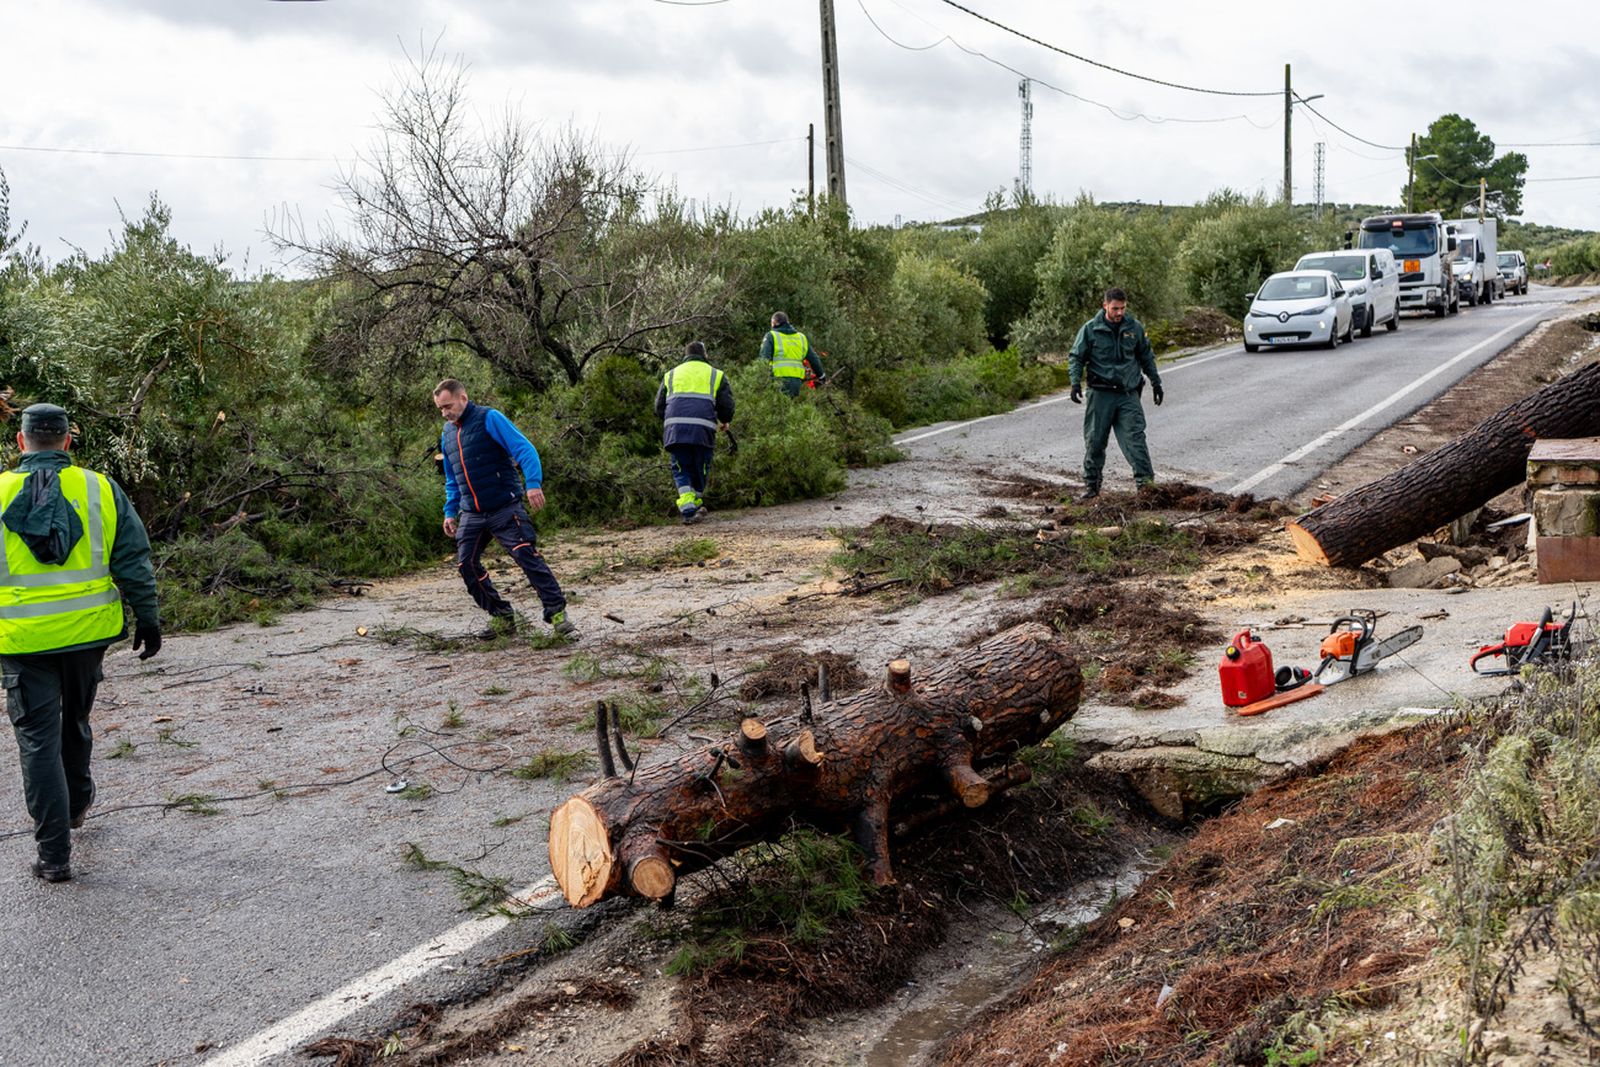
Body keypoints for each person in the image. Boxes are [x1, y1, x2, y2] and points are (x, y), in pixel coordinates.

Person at [1, 403, 161, 883]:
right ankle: (77, 804)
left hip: (22, 640)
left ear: (20, 442)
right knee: (75, 721)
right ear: (69, 441)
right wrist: (147, 617)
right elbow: (132, 556)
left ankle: (54, 855)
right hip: (89, 636)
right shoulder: (100, 488)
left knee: (37, 740)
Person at [432, 381, 575, 638]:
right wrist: (449, 511)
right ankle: (502, 617)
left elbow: (524, 449)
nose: (445, 413)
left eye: (448, 406)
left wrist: (533, 484)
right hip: (472, 513)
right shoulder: (447, 433)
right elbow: (452, 478)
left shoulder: (490, 418)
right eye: (440, 409)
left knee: (526, 555)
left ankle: (557, 615)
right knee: (466, 565)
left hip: (504, 506)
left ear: (463, 398)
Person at [1067, 287, 1165, 500]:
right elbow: (1076, 356)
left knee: (1136, 439)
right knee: (1095, 440)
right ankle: (1092, 486)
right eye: (1115, 308)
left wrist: (1156, 383)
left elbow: (1146, 356)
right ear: (1105, 306)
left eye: (1122, 308)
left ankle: (1146, 487)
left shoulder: (1134, 328)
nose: (1119, 312)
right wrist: (1075, 383)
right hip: (1100, 395)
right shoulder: (1091, 329)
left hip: (1127, 394)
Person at [654, 342, 735, 524]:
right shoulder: (716, 374)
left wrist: (672, 422)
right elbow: (726, 405)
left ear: (685, 355)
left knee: (681, 467)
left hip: (676, 430)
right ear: (705, 355)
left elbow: (658, 407)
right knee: (701, 468)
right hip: (703, 430)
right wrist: (725, 420)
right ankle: (690, 507)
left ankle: (691, 505)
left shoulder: (671, 374)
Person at [759, 312, 826, 396]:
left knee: (775, 407)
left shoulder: (771, 336)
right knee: (790, 407)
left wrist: (759, 380)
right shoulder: (801, 337)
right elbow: (814, 359)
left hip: (777, 380)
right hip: (796, 382)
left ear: (773, 323)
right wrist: (821, 376)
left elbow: (763, 359)